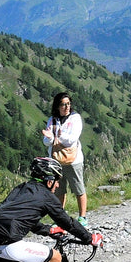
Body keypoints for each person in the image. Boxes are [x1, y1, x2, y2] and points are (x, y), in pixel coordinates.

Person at [41, 92, 87, 225]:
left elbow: (72, 139)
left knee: (78, 188)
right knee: (59, 191)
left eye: (68, 104)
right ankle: (60, 218)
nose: (66, 107)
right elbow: (46, 141)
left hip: (73, 160)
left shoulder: (75, 118)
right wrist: (51, 137)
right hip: (56, 161)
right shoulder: (52, 120)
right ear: (57, 106)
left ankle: (82, 217)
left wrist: (55, 137)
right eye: (63, 104)